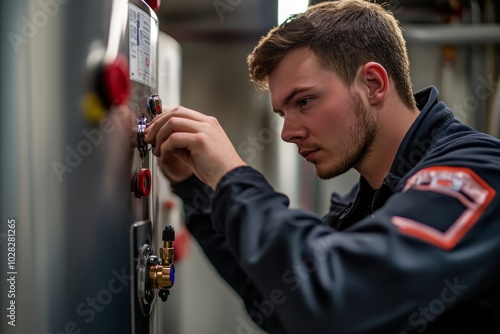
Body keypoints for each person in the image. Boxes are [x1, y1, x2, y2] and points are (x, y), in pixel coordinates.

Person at [145, 0, 500, 333]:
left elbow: (337, 300)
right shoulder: (360, 208)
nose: (288, 133)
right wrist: (196, 188)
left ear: (373, 84)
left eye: (304, 101)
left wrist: (232, 174)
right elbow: (285, 305)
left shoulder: (474, 170)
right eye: (284, 113)